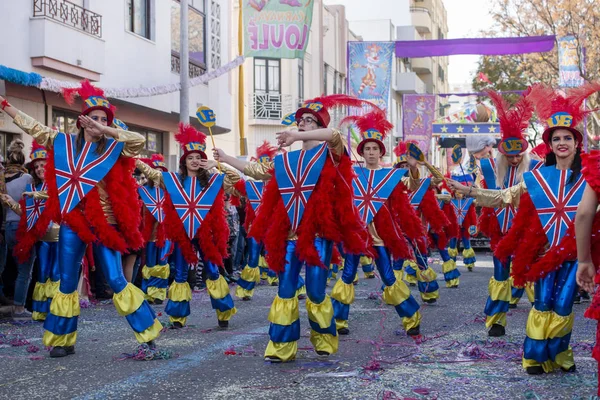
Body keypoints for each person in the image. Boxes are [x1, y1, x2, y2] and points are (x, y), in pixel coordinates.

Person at [0, 81, 162, 357]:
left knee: (115, 278)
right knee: (66, 282)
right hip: (73, 224)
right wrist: (5, 106)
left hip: (106, 224)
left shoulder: (113, 148)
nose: (98, 123)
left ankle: (147, 333)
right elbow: (34, 127)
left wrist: (109, 131)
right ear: (82, 120)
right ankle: (63, 341)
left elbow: (137, 142)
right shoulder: (64, 144)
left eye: (104, 119)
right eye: (94, 118)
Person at [448, 82, 599, 375]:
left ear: (577, 143)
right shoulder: (537, 178)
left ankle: (559, 353)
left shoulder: (590, 177)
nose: (562, 142)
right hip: (543, 254)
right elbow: (503, 197)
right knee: (542, 304)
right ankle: (534, 357)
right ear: (551, 144)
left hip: (574, 255)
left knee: (564, 305)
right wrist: (468, 192)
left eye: (568, 137)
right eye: (556, 138)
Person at [213, 94, 372, 362]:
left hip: (319, 235)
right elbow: (256, 170)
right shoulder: (285, 161)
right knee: (285, 291)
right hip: (289, 236)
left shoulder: (330, 154)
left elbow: (333, 134)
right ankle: (282, 348)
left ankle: (323, 340)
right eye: (302, 120)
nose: (305, 124)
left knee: (315, 292)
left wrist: (296, 137)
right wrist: (227, 157)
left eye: (311, 120)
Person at [135, 123, 240, 329]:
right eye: (190, 158)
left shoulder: (213, 180)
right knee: (181, 273)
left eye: (198, 157)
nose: (194, 161)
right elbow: (152, 173)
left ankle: (223, 312)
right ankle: (177, 317)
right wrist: (132, 157)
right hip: (182, 233)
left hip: (205, 233)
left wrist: (217, 164)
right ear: (184, 162)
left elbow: (235, 179)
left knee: (212, 271)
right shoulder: (173, 180)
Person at [330, 110, 423, 336]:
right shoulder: (351, 173)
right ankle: (339, 321)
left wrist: (412, 167)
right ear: (362, 151)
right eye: (367, 149)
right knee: (348, 274)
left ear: (381, 151)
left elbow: (413, 186)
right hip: (356, 233)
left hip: (380, 234)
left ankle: (411, 319)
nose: (371, 152)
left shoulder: (390, 175)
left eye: (375, 149)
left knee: (388, 276)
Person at [477, 90, 540, 337]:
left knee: (531, 276)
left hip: (527, 234)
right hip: (500, 234)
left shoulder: (535, 168)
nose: (514, 159)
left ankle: (540, 324)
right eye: (509, 154)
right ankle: (497, 321)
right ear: (502, 153)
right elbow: (484, 198)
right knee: (500, 277)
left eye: (518, 155)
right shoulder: (489, 169)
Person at [11, 142, 60, 321]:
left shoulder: (59, 184)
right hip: (42, 238)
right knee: (43, 272)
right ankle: (42, 310)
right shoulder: (32, 188)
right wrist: (10, 202)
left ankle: (57, 309)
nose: (39, 169)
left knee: (56, 273)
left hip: (61, 237)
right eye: (36, 166)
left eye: (43, 165)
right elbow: (27, 214)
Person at [0, 139, 36, 319]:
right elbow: (32, 204)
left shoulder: (1, 179)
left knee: (9, 269)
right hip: (22, 227)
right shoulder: (27, 178)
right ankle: (19, 308)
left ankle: (10, 301)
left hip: (6, 228)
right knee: (24, 270)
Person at [137, 153, 171, 304]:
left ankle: (160, 293)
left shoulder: (170, 191)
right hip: (149, 232)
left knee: (162, 263)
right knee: (150, 263)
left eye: (161, 173)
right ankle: (149, 291)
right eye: (155, 172)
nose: (158, 176)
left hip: (166, 232)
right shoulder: (143, 191)